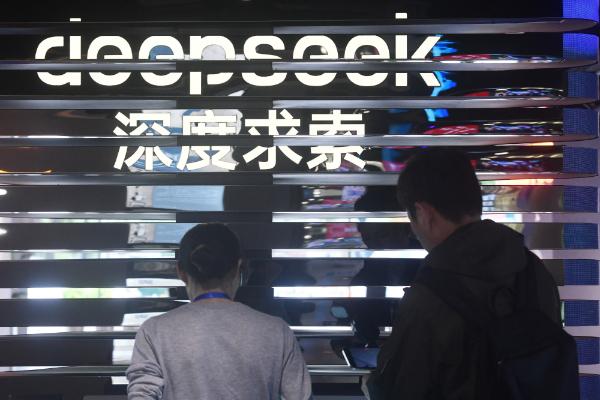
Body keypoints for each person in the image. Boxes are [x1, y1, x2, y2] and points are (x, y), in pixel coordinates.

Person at [366, 149, 562, 399]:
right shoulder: (532, 270)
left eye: (411, 218)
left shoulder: (429, 297)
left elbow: (401, 390)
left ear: (424, 213)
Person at [127, 223, 312, 400]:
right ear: (239, 268)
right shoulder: (277, 331)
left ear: (180, 272)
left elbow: (142, 394)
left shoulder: (154, 331)